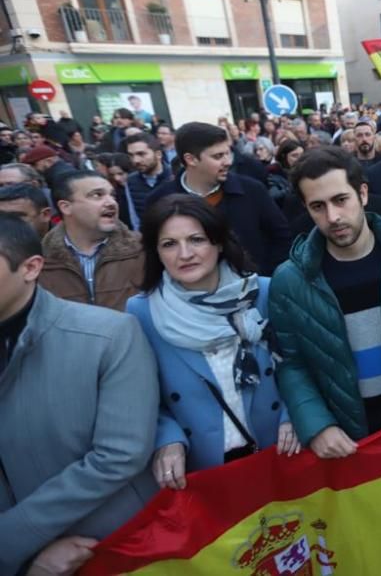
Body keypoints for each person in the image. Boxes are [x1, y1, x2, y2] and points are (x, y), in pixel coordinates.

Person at [0, 213, 158, 576]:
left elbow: (119, 453)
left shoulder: (108, 334)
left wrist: (13, 539)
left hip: (106, 546)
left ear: (30, 267)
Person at [270, 147, 381, 457]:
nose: (333, 217)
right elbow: (290, 362)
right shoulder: (289, 281)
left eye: (341, 200)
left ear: (362, 194)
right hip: (341, 436)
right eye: (318, 206)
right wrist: (317, 425)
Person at [126, 195, 299, 489]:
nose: (184, 254)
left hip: (279, 452)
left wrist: (293, 414)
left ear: (218, 242)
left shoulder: (263, 293)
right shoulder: (142, 312)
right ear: (156, 252)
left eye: (196, 239)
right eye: (169, 244)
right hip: (204, 470)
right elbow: (141, 397)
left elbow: (299, 364)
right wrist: (168, 439)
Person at [148, 122, 291, 275]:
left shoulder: (252, 190)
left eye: (228, 153)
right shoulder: (160, 200)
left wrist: (266, 278)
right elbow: (154, 254)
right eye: (218, 156)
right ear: (191, 159)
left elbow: (281, 237)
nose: (228, 161)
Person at [38, 171, 143, 311]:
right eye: (97, 195)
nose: (111, 202)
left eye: (112, 195)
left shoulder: (141, 248)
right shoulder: (40, 259)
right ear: (66, 207)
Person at [124, 133, 172, 228]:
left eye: (141, 154)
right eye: (131, 155)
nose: (135, 160)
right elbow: (135, 219)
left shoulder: (175, 176)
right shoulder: (130, 181)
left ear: (158, 154)